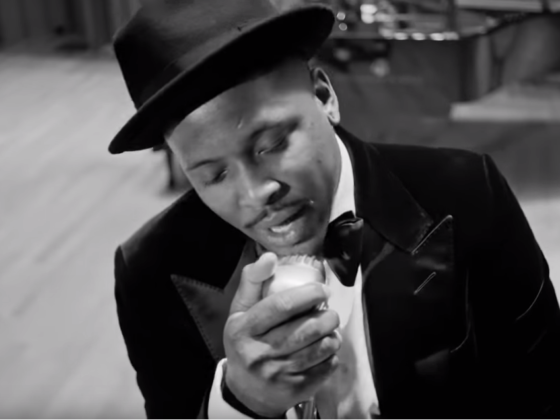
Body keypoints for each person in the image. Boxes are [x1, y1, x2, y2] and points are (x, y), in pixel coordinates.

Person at [109, 0, 560, 418]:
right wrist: (243, 401)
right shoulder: (150, 270)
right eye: (213, 175)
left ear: (325, 97)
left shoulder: (467, 193)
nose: (255, 194)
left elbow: (541, 390)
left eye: (272, 145)